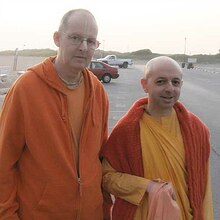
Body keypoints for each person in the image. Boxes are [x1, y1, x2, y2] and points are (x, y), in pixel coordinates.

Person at [0, 9, 109, 220]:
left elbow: (101, 157)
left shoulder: (97, 91)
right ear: (57, 39)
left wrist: (104, 208)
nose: (83, 47)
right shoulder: (26, 88)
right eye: (75, 38)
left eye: (90, 41)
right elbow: (4, 161)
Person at [101, 56, 213, 219]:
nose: (169, 89)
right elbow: (106, 177)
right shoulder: (126, 130)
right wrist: (147, 186)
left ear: (181, 85)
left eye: (175, 82)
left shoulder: (197, 129)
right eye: (161, 82)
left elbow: (204, 187)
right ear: (145, 85)